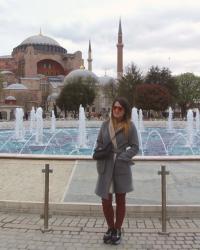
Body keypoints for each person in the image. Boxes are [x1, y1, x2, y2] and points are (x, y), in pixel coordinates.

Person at [94, 96, 139, 245]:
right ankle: (110, 227)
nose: (116, 110)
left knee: (120, 200)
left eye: (120, 108)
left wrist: (123, 157)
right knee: (105, 200)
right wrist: (99, 151)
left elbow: (135, 147)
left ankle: (118, 229)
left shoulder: (130, 126)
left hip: (120, 166)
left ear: (124, 110)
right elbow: (99, 142)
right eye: (114, 108)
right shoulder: (105, 125)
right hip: (106, 165)